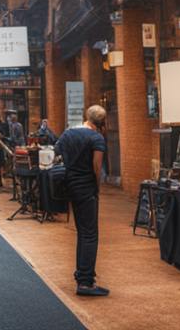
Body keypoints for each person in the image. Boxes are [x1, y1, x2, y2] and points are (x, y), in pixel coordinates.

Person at [57, 104, 109, 297]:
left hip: (69, 186)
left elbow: (57, 152)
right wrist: (97, 188)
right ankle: (86, 282)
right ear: (102, 122)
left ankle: (82, 275)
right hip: (86, 188)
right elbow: (97, 167)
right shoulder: (96, 138)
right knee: (89, 234)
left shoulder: (69, 133)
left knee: (82, 232)